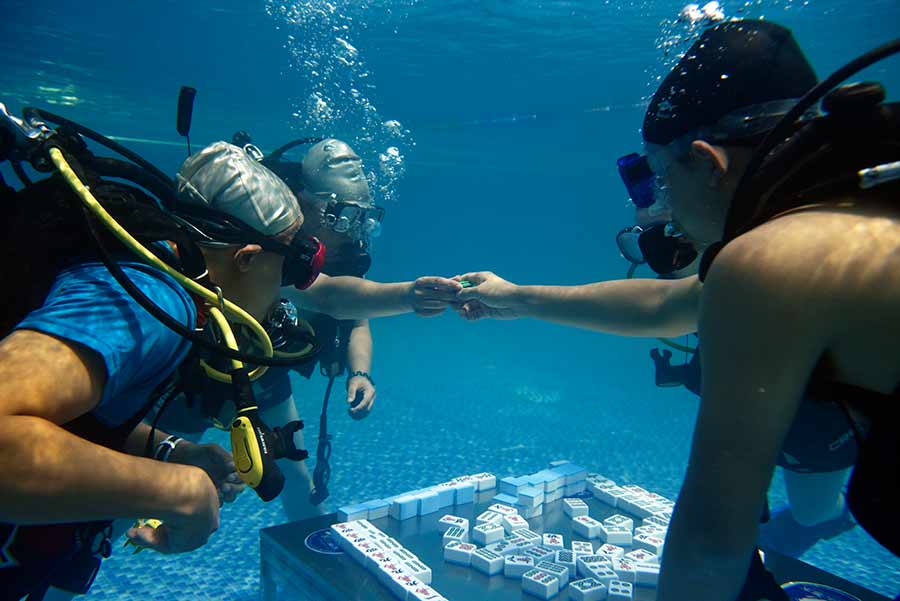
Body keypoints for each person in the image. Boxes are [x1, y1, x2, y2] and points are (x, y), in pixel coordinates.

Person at [454, 19, 899, 600]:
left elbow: (713, 541)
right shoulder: (853, 216)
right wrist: (515, 297)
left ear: (709, 163)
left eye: (663, 179)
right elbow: (673, 302)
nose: (660, 210)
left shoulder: (771, 261)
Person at [149, 139, 462, 523]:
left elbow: (355, 316)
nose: (353, 230)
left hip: (261, 359)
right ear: (306, 201)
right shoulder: (267, 231)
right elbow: (328, 297)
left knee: (294, 473)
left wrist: (360, 371)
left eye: (363, 217)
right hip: (198, 361)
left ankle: (313, 540)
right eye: (343, 216)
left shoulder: (343, 249)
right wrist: (408, 295)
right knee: (158, 457)